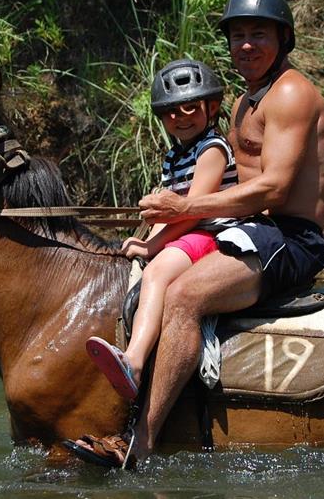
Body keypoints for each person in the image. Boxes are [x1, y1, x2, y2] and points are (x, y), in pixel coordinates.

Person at [65, 0, 324, 468]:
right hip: (249, 230)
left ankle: (141, 445)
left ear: (284, 39)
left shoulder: (292, 93)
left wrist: (181, 210)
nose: (246, 45)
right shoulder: (244, 104)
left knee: (187, 295)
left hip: (291, 237)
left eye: (259, 34)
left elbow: (274, 189)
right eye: (238, 36)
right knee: (156, 273)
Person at [84, 58, 238, 401]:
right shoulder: (173, 156)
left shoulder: (211, 149)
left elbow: (193, 212)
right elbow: (168, 214)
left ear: (211, 108)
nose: (180, 117)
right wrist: (145, 240)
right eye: (171, 112)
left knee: (156, 276)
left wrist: (153, 249)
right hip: (185, 233)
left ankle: (134, 363)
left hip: (210, 234)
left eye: (190, 107)